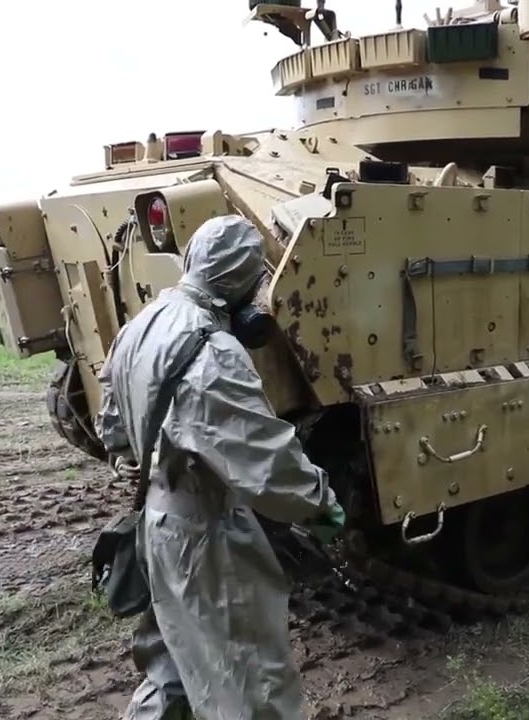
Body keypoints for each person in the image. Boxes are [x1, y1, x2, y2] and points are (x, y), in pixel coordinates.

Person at [96, 214, 346, 720]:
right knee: (251, 682)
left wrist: (160, 454)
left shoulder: (141, 325)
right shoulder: (213, 352)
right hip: (208, 538)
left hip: (158, 524)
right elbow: (267, 464)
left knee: (174, 664)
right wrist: (321, 504)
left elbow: (112, 430)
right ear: (244, 283)